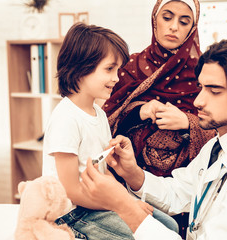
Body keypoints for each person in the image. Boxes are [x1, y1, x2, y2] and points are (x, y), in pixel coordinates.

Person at [80, 38, 227, 239]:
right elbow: (178, 193)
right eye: (201, 88)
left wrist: (123, 205)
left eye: (215, 91)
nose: (198, 101)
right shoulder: (216, 146)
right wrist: (133, 174)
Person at [42, 22, 177, 239]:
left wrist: (128, 201)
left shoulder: (99, 114)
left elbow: (102, 171)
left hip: (96, 203)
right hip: (71, 213)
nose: (116, 77)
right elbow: (70, 190)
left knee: (169, 226)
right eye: (109, 69)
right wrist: (120, 206)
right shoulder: (66, 118)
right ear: (80, 68)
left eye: (117, 70)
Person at [103, 0, 215, 235]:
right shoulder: (130, 67)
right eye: (167, 17)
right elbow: (106, 123)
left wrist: (188, 122)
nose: (174, 27)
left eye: (184, 22)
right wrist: (138, 111)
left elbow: (219, 134)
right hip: (127, 182)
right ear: (155, 20)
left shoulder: (203, 73)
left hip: (182, 191)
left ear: (192, 29)